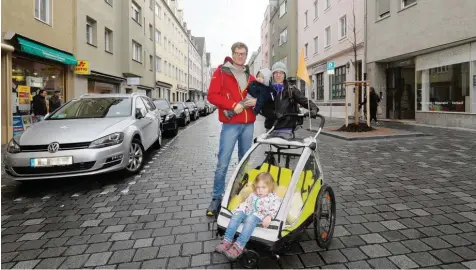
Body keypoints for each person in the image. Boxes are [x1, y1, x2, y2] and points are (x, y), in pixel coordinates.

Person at [206, 42, 257, 216]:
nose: (240, 56)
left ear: (246, 55)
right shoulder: (221, 72)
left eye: (243, 54)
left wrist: (256, 102)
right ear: (232, 54)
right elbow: (212, 96)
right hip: (230, 125)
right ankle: (216, 198)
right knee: (223, 162)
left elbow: (261, 95)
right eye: (237, 53)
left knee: (244, 161)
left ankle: (243, 195)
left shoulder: (250, 77)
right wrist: (232, 105)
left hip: (248, 124)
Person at [215, 172, 281, 260]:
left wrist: (269, 216)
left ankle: (239, 246)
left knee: (250, 220)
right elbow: (246, 203)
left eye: (263, 187)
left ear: (270, 187)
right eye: (258, 187)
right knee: (236, 216)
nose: (260, 190)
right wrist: (240, 210)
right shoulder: (253, 194)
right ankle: (227, 240)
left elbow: (275, 207)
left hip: (259, 215)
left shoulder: (273, 198)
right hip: (247, 211)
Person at [261, 61, 319, 138]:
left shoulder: (291, 90)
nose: (278, 75)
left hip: (286, 128)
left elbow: (304, 101)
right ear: (273, 75)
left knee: (284, 149)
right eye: (276, 72)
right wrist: (274, 114)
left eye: (281, 72)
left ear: (285, 75)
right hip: (270, 128)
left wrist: (314, 109)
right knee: (271, 150)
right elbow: (263, 109)